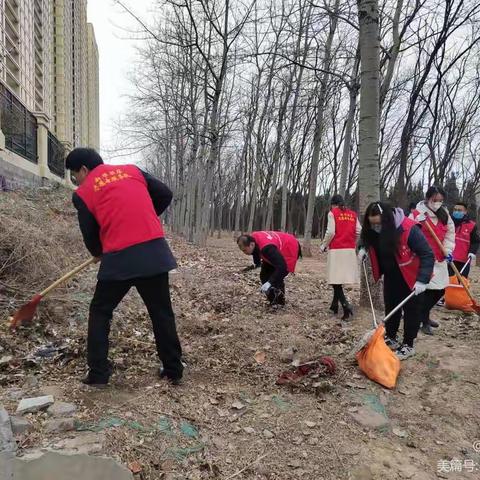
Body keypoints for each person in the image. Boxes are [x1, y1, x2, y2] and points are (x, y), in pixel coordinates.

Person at [66, 148, 184, 386]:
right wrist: (144, 215)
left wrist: (98, 252)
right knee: (161, 313)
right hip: (153, 253)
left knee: (100, 312)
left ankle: (98, 374)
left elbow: (89, 233)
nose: (75, 180)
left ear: (84, 170)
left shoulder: (84, 192)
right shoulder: (133, 171)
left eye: (74, 174)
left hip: (119, 259)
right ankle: (173, 369)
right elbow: (165, 194)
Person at [359, 203, 434, 360]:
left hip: (411, 277)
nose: (375, 227)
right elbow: (366, 239)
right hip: (391, 275)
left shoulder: (409, 228)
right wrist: (362, 248)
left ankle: (408, 345)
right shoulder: (373, 230)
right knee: (391, 306)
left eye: (378, 224)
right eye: (372, 224)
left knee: (411, 311)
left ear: (387, 220)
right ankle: (391, 337)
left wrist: (422, 280)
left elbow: (427, 254)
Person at [409, 186, 455, 335]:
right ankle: (423, 320)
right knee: (426, 291)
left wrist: (448, 250)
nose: (438, 203)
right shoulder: (416, 214)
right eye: (435, 200)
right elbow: (407, 236)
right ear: (428, 198)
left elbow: (450, 234)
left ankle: (423, 315)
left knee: (440, 290)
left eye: (441, 200)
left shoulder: (445, 215)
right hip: (423, 260)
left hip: (440, 257)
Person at [320, 195, 361, 320]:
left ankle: (346, 306)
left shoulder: (333, 213)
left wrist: (323, 245)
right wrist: (352, 241)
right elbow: (359, 230)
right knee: (338, 280)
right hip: (349, 250)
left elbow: (331, 232)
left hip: (337, 250)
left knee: (335, 280)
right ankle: (334, 305)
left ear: (333, 204)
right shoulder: (353, 214)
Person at [237, 231, 301, 306]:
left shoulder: (267, 248)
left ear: (251, 244)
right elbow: (255, 251)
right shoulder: (253, 239)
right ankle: (273, 300)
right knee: (264, 275)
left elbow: (282, 267)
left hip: (289, 247)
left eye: (245, 250)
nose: (244, 253)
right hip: (276, 247)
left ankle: (279, 303)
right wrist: (256, 264)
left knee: (276, 277)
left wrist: (270, 282)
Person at [450, 202, 479, 278]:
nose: (456, 212)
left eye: (459, 210)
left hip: (463, 260)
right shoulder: (447, 222)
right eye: (455, 209)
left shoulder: (471, 225)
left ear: (465, 212)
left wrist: (472, 252)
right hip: (448, 259)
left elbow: (475, 241)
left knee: (462, 282)